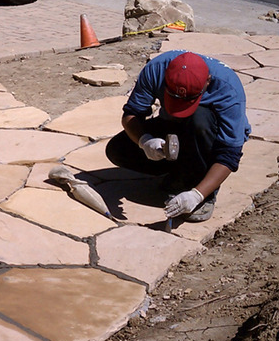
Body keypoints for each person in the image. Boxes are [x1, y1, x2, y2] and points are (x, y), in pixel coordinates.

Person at [105, 50, 250, 223]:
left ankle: (202, 190)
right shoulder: (156, 69)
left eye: (187, 102)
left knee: (199, 118)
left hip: (206, 134)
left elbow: (230, 154)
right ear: (166, 79)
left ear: (207, 82)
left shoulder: (228, 89)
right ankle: (178, 173)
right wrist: (145, 141)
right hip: (172, 124)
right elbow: (131, 114)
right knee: (118, 149)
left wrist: (197, 194)